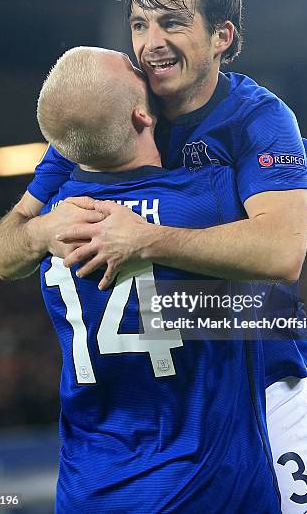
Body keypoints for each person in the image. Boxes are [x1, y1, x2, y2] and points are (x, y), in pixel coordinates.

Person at [0, 0, 307, 512]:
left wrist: (160, 229)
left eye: (172, 22)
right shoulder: (111, 115)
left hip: (263, 370)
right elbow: (7, 248)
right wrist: (43, 232)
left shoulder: (256, 118)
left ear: (221, 36)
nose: (150, 42)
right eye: (140, 24)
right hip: (166, 389)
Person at [35, 46, 282, 512]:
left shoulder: (50, 222)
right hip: (203, 487)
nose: (142, 60)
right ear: (142, 115)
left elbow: (5, 251)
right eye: (132, 69)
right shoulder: (205, 201)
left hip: (87, 493)